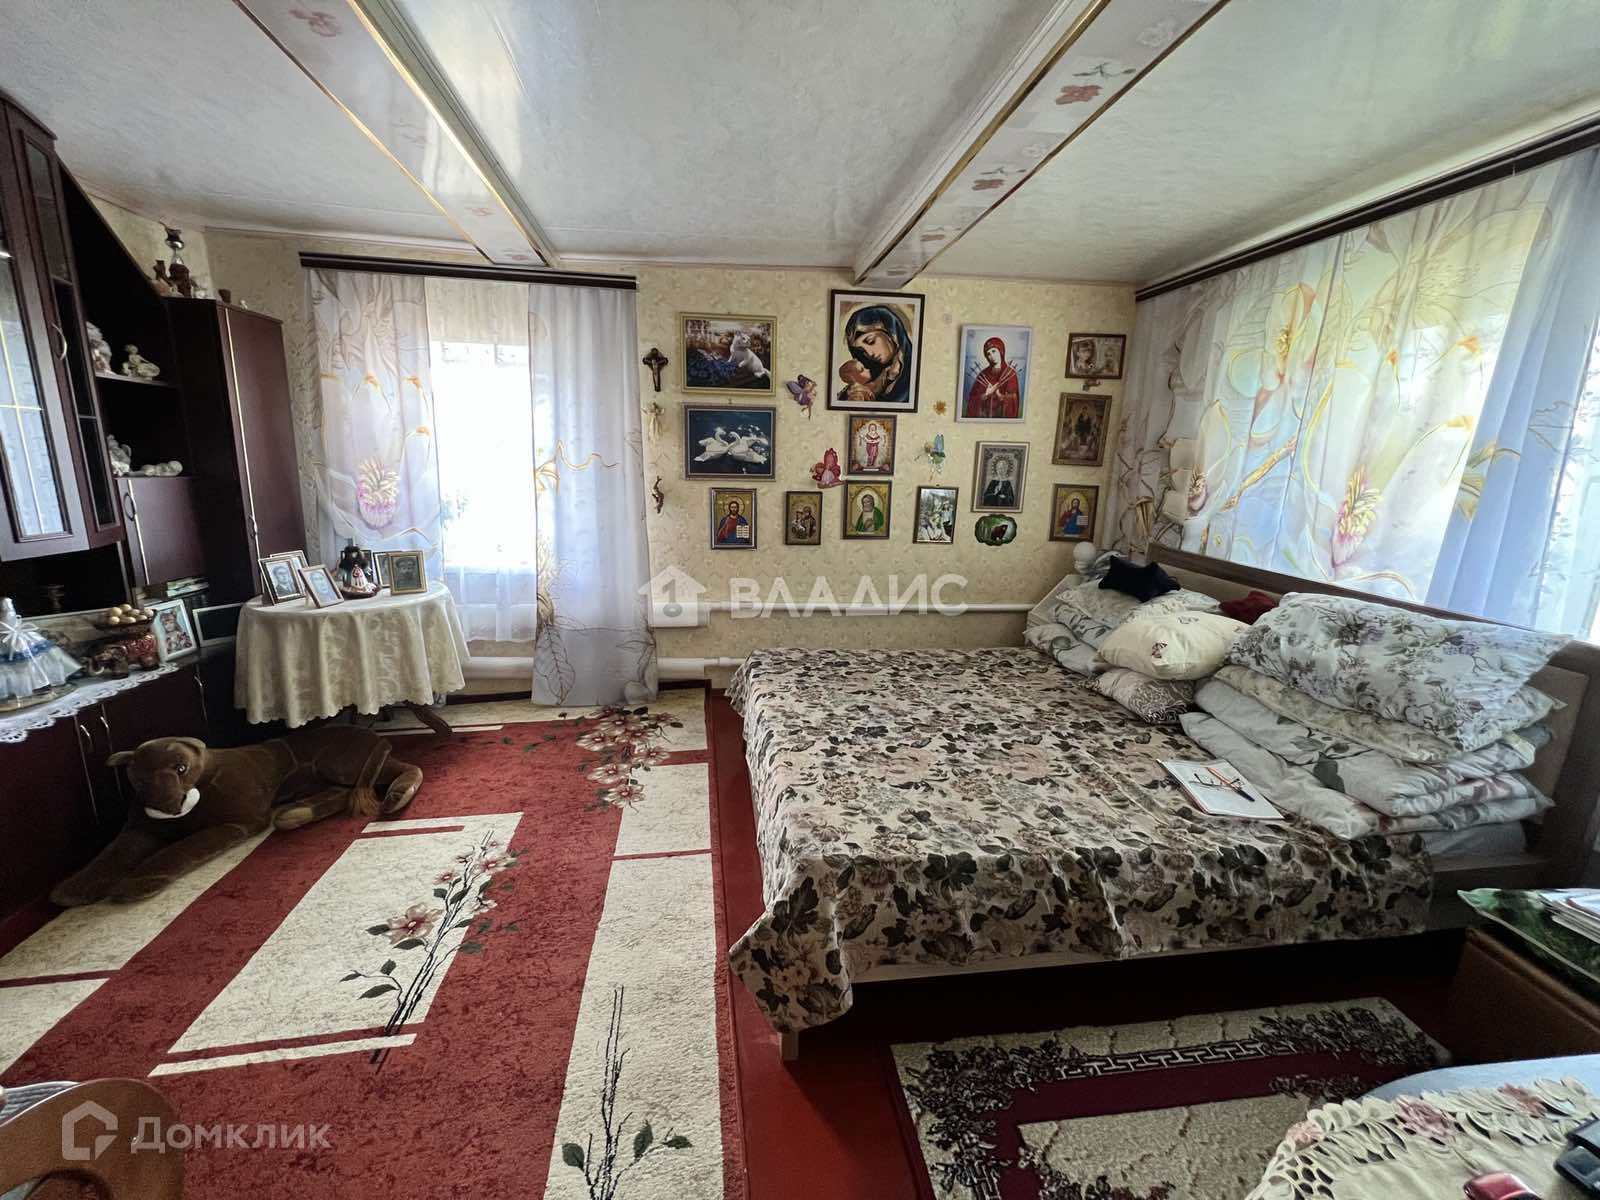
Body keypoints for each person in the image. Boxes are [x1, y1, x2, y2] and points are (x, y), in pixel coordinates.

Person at [838, 304, 914, 407]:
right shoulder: (864, 381)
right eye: (862, 351)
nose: (870, 353)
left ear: (891, 334)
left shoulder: (912, 372)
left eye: (870, 341)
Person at [964, 336, 1020, 418]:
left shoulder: (1010, 373)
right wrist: (986, 394)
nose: (991, 356)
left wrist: (1000, 396)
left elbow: (1014, 400)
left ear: (1001, 351)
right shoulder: (983, 374)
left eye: (994, 351)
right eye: (988, 354)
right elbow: (972, 399)